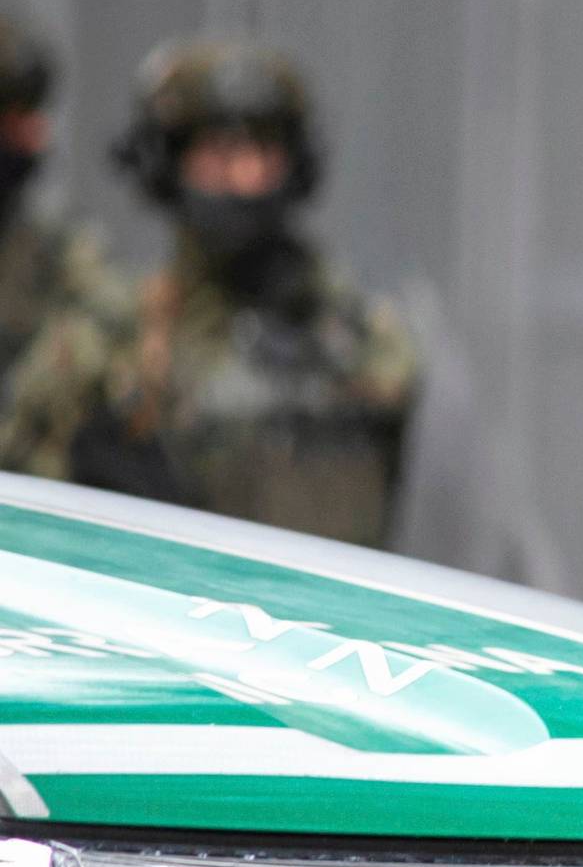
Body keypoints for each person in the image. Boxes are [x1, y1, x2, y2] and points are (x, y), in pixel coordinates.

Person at [0, 36, 416, 545]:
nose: (246, 176)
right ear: (168, 163)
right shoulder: (109, 344)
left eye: (265, 150)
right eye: (221, 151)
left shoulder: (365, 342)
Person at [0, 12, 128, 394]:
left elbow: (111, 318)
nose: (36, 137)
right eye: (11, 118)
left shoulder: (57, 246)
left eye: (33, 113)